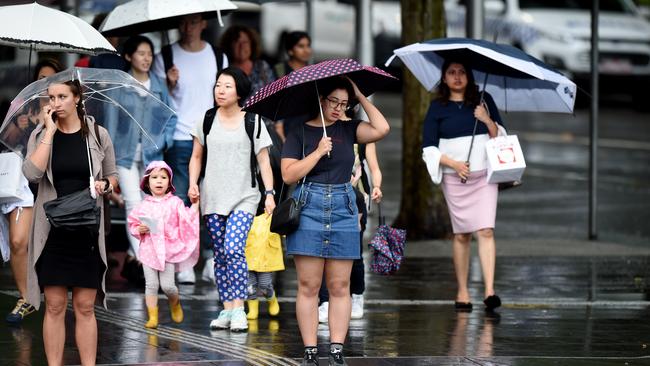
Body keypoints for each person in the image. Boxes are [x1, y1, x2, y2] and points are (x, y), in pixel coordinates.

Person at [280, 76, 389, 365]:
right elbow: (289, 175)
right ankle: (311, 351)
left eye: (344, 103)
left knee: (341, 286)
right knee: (309, 285)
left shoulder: (351, 128)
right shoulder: (299, 132)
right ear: (320, 100)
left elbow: (382, 128)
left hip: (343, 205)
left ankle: (337, 350)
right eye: (334, 102)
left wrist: (360, 96)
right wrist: (317, 152)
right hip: (309, 206)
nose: (339, 108)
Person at [22, 79, 118, 365]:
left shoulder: (98, 135)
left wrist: (105, 185)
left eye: (62, 96)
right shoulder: (41, 133)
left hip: (86, 230)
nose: (56, 103)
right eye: (51, 97)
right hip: (53, 230)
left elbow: (113, 176)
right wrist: (49, 132)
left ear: (77, 98)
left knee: (85, 306)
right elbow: (32, 174)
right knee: (54, 305)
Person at [187, 67, 276, 332]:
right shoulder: (206, 119)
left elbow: (264, 162)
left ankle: (239, 309)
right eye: (217, 85)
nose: (220, 90)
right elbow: (196, 157)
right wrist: (192, 184)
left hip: (245, 196)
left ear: (239, 91)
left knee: (235, 249)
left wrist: (269, 194)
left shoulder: (253, 121)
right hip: (213, 197)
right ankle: (227, 308)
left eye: (227, 86)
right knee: (221, 255)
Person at [421, 60, 505, 312]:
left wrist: (486, 119)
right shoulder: (437, 107)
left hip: (485, 176)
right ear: (444, 78)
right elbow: (428, 147)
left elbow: (500, 135)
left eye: (462, 72)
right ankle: (462, 290)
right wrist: (453, 164)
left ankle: (490, 290)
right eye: (451, 73)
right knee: (462, 234)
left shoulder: (483, 99)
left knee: (486, 230)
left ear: (469, 76)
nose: (457, 77)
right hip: (455, 178)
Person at [152, 13, 229, 285]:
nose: (188, 27)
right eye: (183, 22)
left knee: (212, 199)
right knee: (183, 199)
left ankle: (210, 257)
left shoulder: (218, 56)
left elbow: (226, 96)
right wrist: (168, 84)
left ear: (204, 24)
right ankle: (183, 260)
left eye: (194, 22)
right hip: (180, 136)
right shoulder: (164, 56)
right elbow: (156, 99)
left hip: (212, 136)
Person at [104, 35, 178, 276]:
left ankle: (150, 252)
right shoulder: (121, 85)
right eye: (141, 53)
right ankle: (141, 257)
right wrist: (109, 156)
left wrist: (163, 141)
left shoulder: (158, 85)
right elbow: (110, 122)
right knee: (133, 205)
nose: (146, 58)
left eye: (149, 54)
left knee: (152, 205)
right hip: (123, 155)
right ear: (128, 56)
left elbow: (170, 117)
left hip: (151, 155)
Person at [3, 58, 62, 324]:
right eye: (41, 78)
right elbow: (6, 140)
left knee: (48, 246)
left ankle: (50, 294)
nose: (45, 84)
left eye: (51, 79)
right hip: (22, 186)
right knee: (18, 242)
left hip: (51, 186)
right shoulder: (21, 107)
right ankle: (25, 297)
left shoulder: (65, 109)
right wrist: (21, 125)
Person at [127, 160, 200, 329]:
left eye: (163, 177)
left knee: (168, 286)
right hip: (149, 250)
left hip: (168, 250)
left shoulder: (175, 202)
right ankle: (153, 317)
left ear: (169, 181)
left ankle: (175, 302)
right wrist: (140, 228)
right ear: (147, 181)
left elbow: (187, 218)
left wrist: (195, 206)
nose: (159, 181)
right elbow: (133, 224)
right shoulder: (142, 206)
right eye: (154, 177)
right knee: (151, 285)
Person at [318, 141, 383, 323]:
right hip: (327, 196)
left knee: (353, 251)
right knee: (325, 250)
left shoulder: (362, 136)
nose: (337, 110)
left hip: (357, 199)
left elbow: (374, 167)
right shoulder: (323, 132)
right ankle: (324, 300)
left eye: (342, 108)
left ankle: (357, 294)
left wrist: (377, 185)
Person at [272, 31, 312, 141]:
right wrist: (279, 128)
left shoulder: (313, 72)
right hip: (286, 126)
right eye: (301, 46)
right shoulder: (280, 70)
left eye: (308, 46)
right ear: (290, 50)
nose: (306, 50)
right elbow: (275, 101)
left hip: (309, 125)